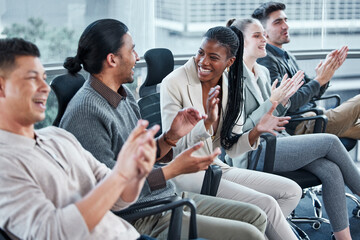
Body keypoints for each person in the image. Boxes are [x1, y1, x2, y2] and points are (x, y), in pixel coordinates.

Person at [60, 19, 268, 240]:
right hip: (139, 215)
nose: (137, 57)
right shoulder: (87, 113)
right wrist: (172, 171)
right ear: (112, 59)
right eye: (132, 50)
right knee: (249, 235)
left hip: (164, 197)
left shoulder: (124, 95)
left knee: (256, 216)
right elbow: (113, 194)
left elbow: (141, 159)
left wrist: (170, 137)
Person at [0, 38, 159, 240]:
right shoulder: (5, 164)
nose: (45, 87)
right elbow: (52, 233)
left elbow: (119, 199)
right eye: (32, 79)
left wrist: (133, 174)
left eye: (44, 77)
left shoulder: (58, 136)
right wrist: (120, 175)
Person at [161, 25, 303, 240]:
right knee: (266, 205)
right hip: (186, 173)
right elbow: (175, 145)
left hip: (215, 167)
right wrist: (207, 123)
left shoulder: (230, 87)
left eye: (213, 57)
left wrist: (256, 131)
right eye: (201, 52)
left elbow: (232, 148)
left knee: (291, 191)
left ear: (230, 62)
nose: (203, 61)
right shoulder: (174, 83)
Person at [228, 18, 360, 240]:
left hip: (277, 141)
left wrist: (281, 102)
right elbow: (238, 132)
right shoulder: (233, 78)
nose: (264, 39)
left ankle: (343, 238)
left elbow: (275, 116)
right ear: (241, 41)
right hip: (253, 151)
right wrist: (273, 103)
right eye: (257, 36)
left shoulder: (261, 72)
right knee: (330, 141)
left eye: (263, 34)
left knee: (330, 170)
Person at [252, 2, 360, 139]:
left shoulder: (287, 56)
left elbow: (313, 92)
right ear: (263, 32)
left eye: (285, 20)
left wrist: (325, 76)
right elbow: (289, 103)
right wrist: (319, 80)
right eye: (278, 22)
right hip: (302, 125)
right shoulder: (265, 61)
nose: (286, 26)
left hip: (316, 116)